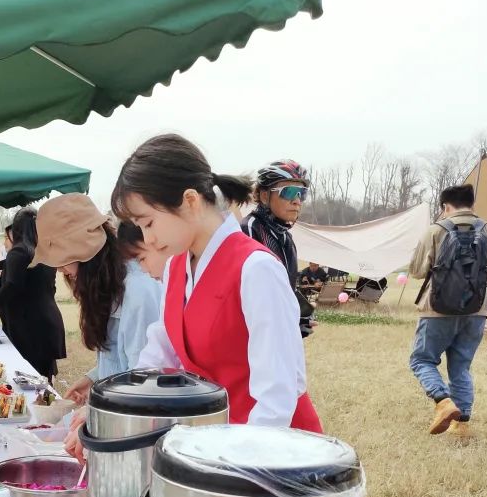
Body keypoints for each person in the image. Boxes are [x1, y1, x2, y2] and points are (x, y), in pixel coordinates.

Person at [112, 133, 322, 432]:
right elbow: (160, 354)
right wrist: (116, 408)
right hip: (218, 441)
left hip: (274, 451)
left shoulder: (255, 269)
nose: (149, 239)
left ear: (190, 201)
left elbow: (276, 399)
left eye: (148, 223)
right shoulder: (176, 268)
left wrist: (233, 464)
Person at [31, 194, 162, 405]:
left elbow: (144, 378)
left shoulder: (138, 291)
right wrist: (92, 379)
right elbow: (117, 360)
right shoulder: (110, 285)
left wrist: (96, 411)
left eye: (63, 259)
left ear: (85, 252)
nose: (59, 269)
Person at [408, 184, 487, 436]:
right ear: (471, 204)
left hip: (437, 309)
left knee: (422, 359)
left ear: (445, 206)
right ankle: (461, 426)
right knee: (461, 367)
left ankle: (443, 401)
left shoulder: (435, 231)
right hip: (477, 308)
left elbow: (417, 270)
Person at [0, 209, 66, 379]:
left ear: (17, 228)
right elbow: (50, 287)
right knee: (43, 378)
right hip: (46, 319)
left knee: (27, 377)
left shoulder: (18, 252)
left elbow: (12, 286)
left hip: (28, 324)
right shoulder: (43, 250)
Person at [242, 161, 315, 337]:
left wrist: (299, 317)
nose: (297, 201)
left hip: (280, 334)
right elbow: (254, 296)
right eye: (289, 192)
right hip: (256, 338)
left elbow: (286, 288)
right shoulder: (249, 229)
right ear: (265, 196)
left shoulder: (285, 237)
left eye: (302, 193)